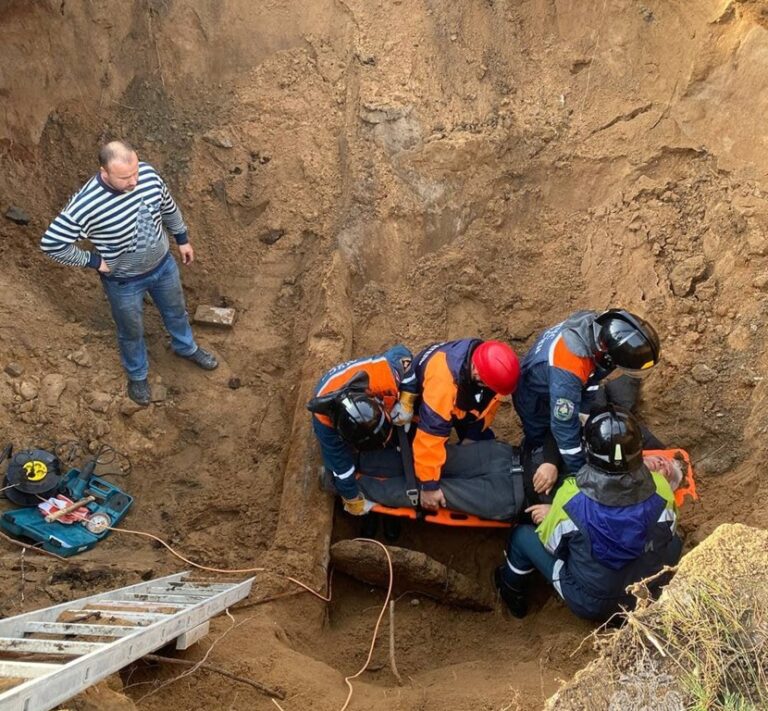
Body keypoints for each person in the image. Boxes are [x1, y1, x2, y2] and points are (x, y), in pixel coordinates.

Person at [40, 140, 217, 406]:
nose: (134, 181)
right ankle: (137, 374)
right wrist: (93, 261)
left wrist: (182, 239)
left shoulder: (146, 174)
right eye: (125, 177)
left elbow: (168, 207)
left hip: (163, 266)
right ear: (104, 172)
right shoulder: (86, 204)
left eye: (135, 172)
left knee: (176, 311)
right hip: (124, 282)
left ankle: (186, 347)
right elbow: (52, 243)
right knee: (130, 330)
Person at [494, 406, 683, 621]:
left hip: (593, 602)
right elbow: (667, 532)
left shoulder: (571, 496)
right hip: (645, 592)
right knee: (674, 541)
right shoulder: (662, 488)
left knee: (522, 538)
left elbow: (553, 546)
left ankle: (511, 594)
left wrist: (555, 515)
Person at [513, 309, 661, 492]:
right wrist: (581, 473)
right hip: (533, 397)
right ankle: (533, 455)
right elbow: (563, 426)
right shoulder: (568, 369)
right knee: (540, 436)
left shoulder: (598, 334)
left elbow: (592, 378)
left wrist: (583, 410)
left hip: (553, 378)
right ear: (609, 357)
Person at [395, 339, 520, 511]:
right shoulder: (443, 380)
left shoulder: (487, 362)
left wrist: (473, 436)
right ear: (476, 371)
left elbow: (490, 403)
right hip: (423, 407)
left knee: (479, 443)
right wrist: (429, 485)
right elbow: (431, 433)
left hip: (459, 400)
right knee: (411, 461)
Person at [307, 344, 413, 515]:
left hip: (380, 396)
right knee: (337, 465)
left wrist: (407, 399)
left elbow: (404, 354)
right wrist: (352, 498)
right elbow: (341, 469)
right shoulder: (325, 427)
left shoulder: (385, 374)